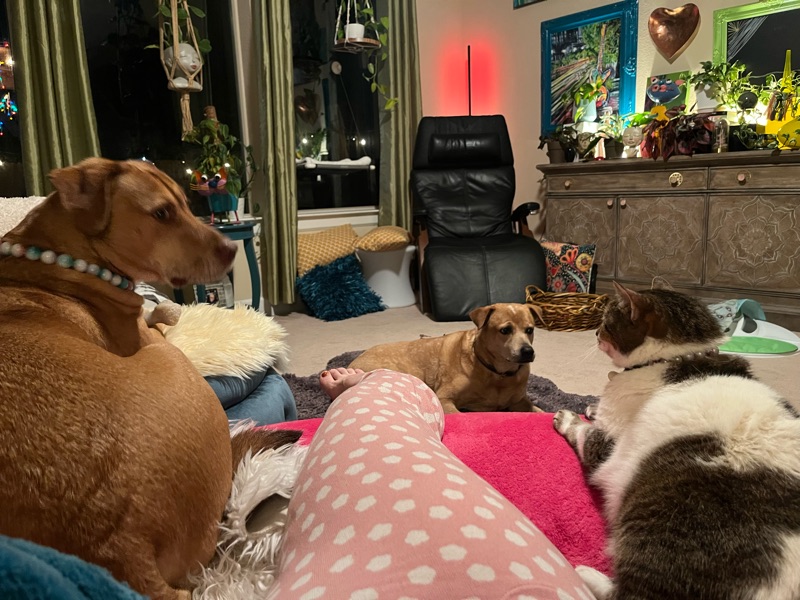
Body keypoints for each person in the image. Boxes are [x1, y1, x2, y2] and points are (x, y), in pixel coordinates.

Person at [267, 368, 595, 599]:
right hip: (536, 581)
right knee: (403, 388)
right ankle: (379, 385)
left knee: (390, 392)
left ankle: (372, 388)